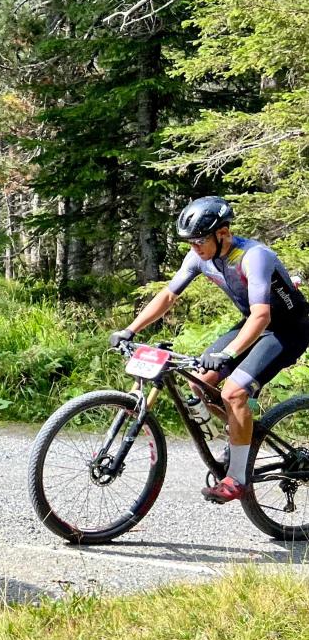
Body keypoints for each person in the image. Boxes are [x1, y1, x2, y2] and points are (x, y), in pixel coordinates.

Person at [109, 196, 309, 503]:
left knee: (233, 392)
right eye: (189, 243)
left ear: (224, 234)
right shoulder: (199, 257)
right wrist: (130, 329)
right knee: (199, 382)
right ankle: (243, 428)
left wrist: (227, 354)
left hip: (289, 329)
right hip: (253, 324)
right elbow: (167, 296)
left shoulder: (254, 256)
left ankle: (238, 478)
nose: (195, 248)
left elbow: (262, 315)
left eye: (200, 241)